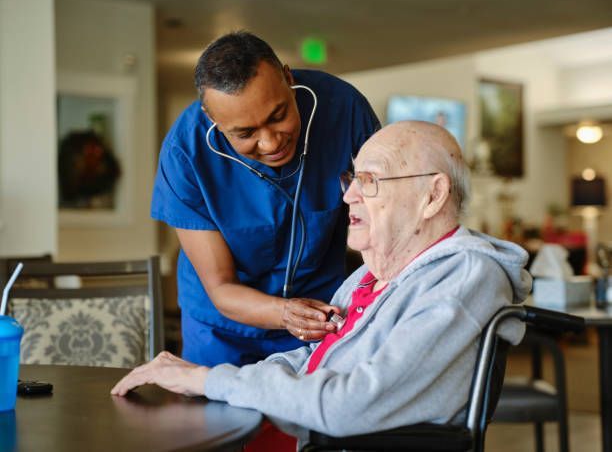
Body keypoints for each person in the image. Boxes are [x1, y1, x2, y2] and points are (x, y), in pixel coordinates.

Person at [113, 120, 532, 447]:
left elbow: (348, 406)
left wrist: (209, 382)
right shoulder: (368, 278)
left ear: (433, 196)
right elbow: (308, 361)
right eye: (352, 181)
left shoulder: (465, 277)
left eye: (370, 181)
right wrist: (209, 375)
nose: (349, 197)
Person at [152, 31, 380, 366]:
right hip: (222, 326)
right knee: (216, 416)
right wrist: (284, 312)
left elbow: (385, 211)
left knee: (312, 413)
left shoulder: (344, 110)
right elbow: (221, 287)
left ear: (288, 78)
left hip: (320, 315)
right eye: (245, 134)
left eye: (278, 116)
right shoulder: (185, 154)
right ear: (211, 117)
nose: (271, 143)